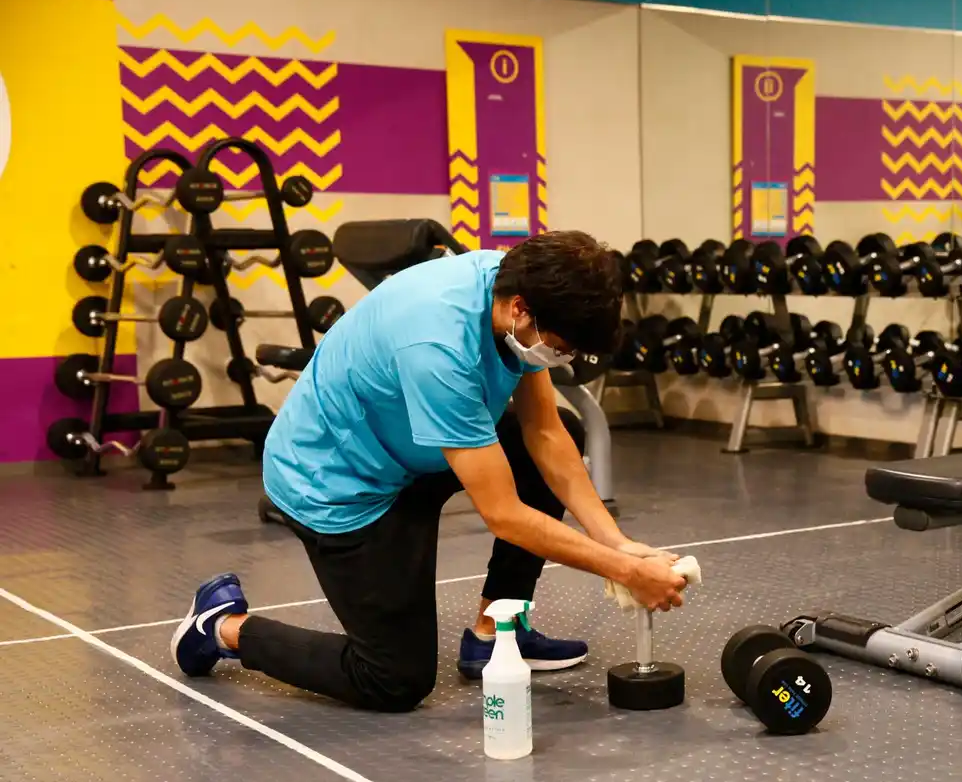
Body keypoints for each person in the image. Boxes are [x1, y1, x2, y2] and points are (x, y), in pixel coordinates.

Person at [169, 230, 687, 712]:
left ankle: (495, 633)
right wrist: (624, 571)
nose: (560, 356)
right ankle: (221, 627)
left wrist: (615, 542)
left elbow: (545, 435)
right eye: (560, 345)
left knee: (563, 436)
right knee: (394, 678)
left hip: (412, 447)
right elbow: (505, 515)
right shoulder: (439, 347)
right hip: (339, 479)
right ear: (520, 311)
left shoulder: (513, 290)